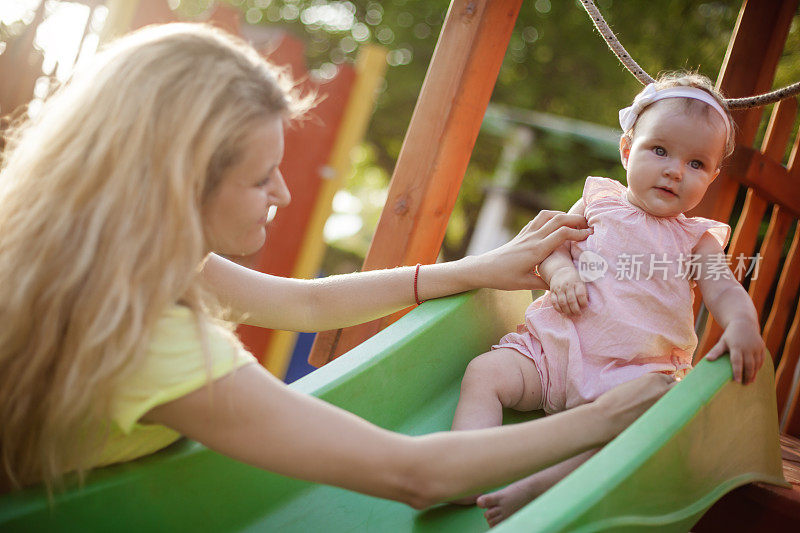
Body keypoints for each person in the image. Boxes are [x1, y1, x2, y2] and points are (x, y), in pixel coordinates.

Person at [0, 23, 673, 507]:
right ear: (180, 183)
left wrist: (478, 268)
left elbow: (304, 305)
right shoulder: (147, 335)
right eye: (263, 177)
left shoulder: (107, 251)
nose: (284, 193)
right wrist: (609, 418)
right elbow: (412, 474)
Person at [450, 72, 767, 526]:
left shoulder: (697, 241)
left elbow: (723, 287)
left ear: (712, 177)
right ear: (626, 149)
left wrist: (741, 324)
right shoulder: (598, 201)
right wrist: (560, 273)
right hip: (552, 353)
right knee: (485, 373)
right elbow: (552, 246)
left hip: (629, 378)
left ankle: (541, 485)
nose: (675, 169)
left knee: (647, 422)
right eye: (660, 150)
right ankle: (464, 467)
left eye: (696, 164)